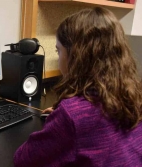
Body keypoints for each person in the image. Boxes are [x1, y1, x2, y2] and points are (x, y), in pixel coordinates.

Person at [14, 7, 142, 167]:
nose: (58, 58)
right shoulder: (133, 95)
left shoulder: (74, 115)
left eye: (58, 51)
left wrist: (61, 122)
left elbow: (25, 159)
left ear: (76, 57)